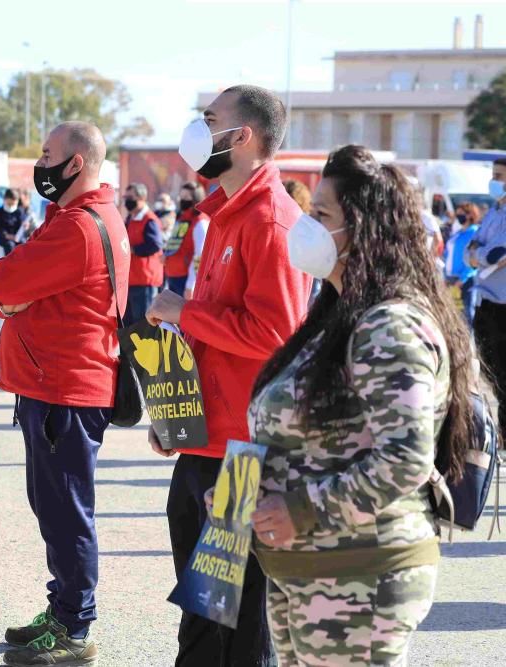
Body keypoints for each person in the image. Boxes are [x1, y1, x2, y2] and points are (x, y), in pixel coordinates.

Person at [249, 145, 478, 665]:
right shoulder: (333, 315)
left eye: (321, 216)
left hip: (359, 576)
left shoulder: (388, 325)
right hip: (308, 571)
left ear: (364, 230)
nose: (304, 226)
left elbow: (404, 458)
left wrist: (300, 510)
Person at [146, 84, 311, 667]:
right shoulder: (222, 214)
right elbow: (213, 341)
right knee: (202, 610)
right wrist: (175, 414)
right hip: (207, 442)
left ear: (241, 137)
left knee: (236, 620)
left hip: (244, 454)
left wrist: (180, 311)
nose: (198, 128)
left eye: (208, 119)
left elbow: (274, 335)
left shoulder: (269, 220)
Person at [0, 121, 129, 667]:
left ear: (75, 164)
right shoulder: (85, 217)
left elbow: (1, 283)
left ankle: (74, 627)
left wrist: (14, 297)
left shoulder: (75, 227)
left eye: (47, 154)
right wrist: (14, 299)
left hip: (65, 388)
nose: (39, 164)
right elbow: (9, 294)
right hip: (60, 383)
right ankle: (64, 610)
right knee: (56, 508)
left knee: (66, 513)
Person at [467, 156, 506, 440]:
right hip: (485, 301)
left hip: (503, 305)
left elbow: (498, 255)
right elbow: (473, 247)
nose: (495, 181)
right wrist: (479, 255)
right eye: (494, 175)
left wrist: (478, 255)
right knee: (489, 373)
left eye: (500, 176)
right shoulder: (493, 211)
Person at [123, 182, 163, 325]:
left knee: (144, 325)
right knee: (129, 324)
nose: (126, 200)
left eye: (130, 197)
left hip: (145, 280)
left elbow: (155, 245)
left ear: (142, 198)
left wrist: (133, 250)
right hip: (131, 280)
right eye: (125, 197)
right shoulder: (130, 219)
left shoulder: (149, 220)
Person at [163, 182, 209, 298]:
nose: (182, 200)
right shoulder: (182, 218)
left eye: (187, 197)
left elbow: (200, 255)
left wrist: (191, 285)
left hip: (185, 279)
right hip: (173, 275)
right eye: (181, 196)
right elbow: (176, 242)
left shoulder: (200, 222)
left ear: (196, 199)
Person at [445, 202, 481, 327]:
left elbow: (474, 258)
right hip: (451, 278)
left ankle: (469, 343)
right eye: (457, 213)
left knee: (466, 315)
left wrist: (463, 278)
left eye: (461, 214)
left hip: (464, 280)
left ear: (470, 215)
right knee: (452, 315)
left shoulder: (474, 232)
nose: (458, 216)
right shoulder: (458, 233)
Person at [0, 189, 28, 256]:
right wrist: (7, 236)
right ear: (5, 199)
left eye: (13, 204)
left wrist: (25, 227)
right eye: (9, 204)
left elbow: (22, 225)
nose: (11, 206)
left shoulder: (20, 212)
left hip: (17, 238)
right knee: (10, 245)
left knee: (24, 244)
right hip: (5, 239)